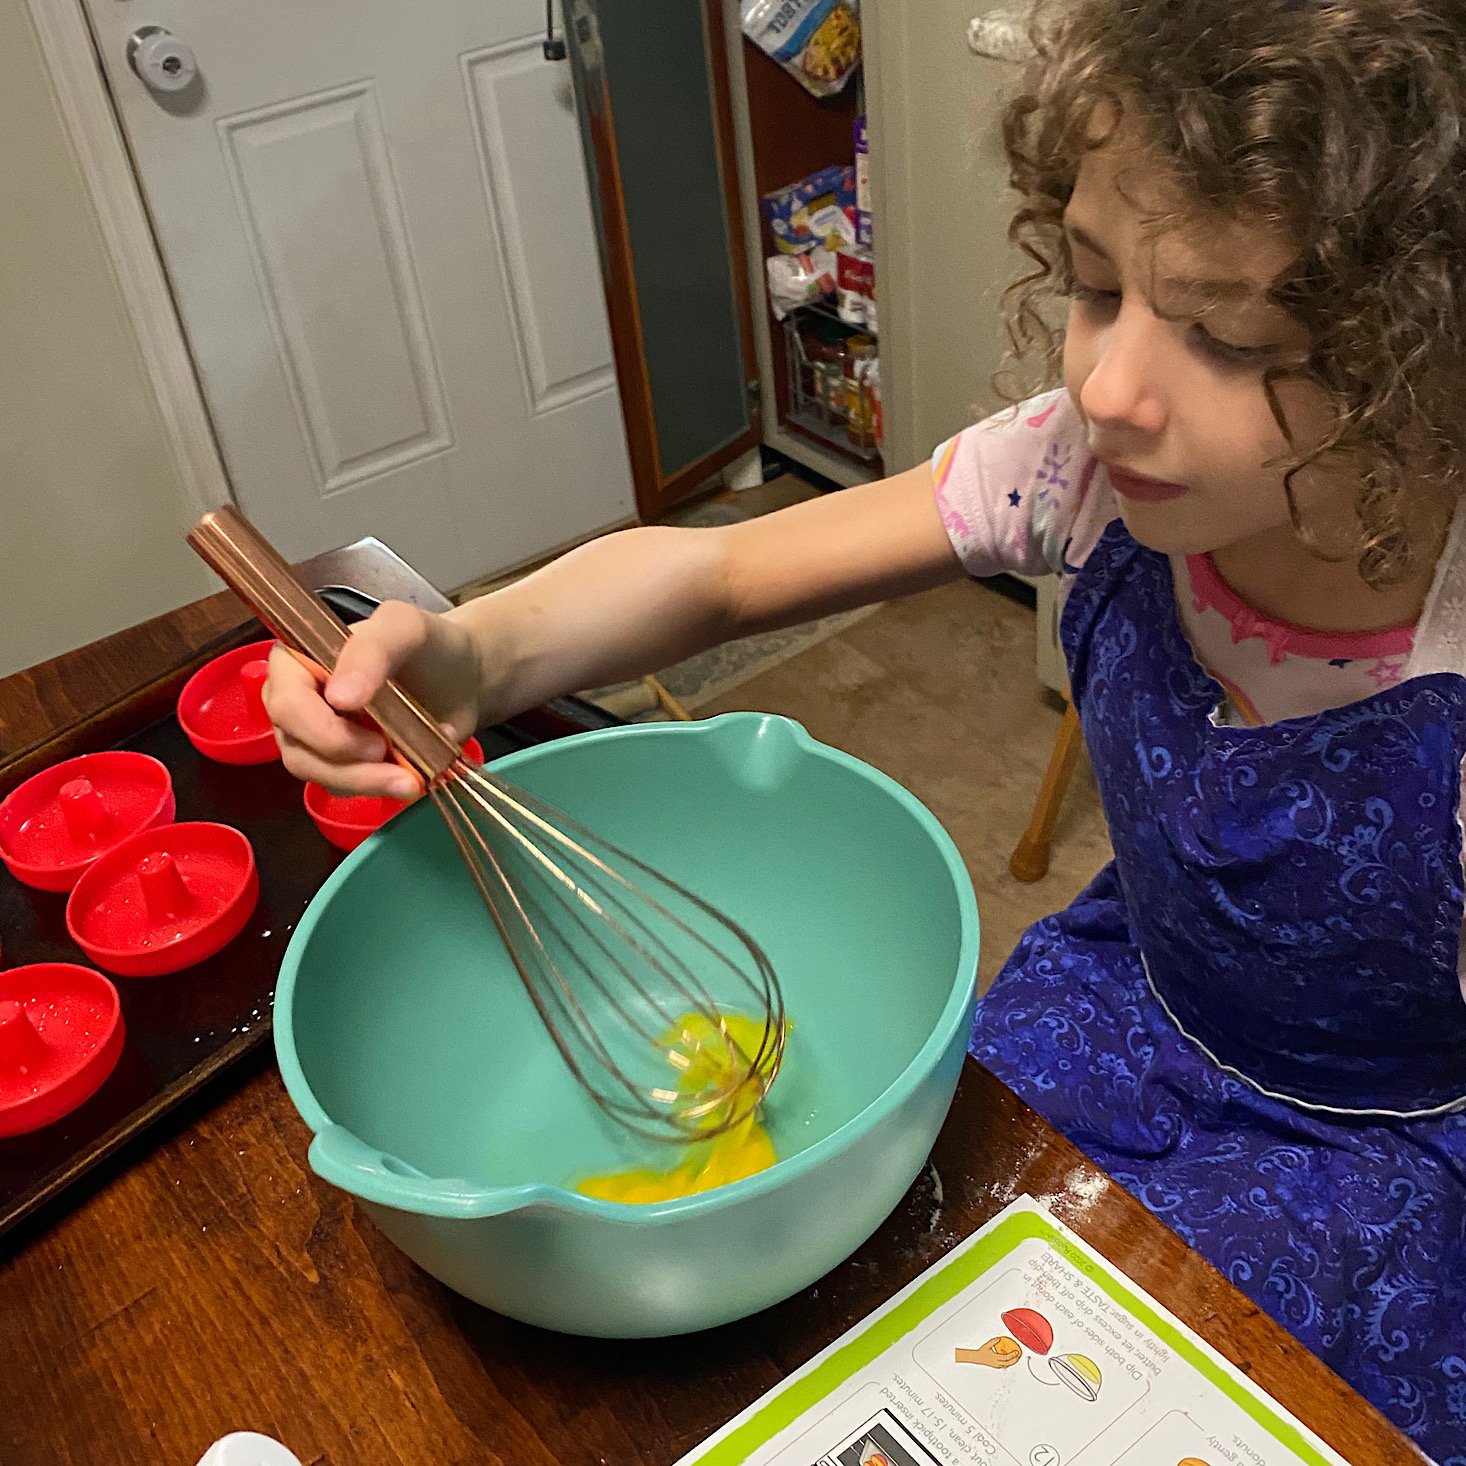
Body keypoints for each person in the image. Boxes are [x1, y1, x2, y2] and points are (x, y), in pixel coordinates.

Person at [263, 2, 1466, 1457]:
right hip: (1121, 1010)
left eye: (1220, 334)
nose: (1104, 386)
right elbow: (717, 570)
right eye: (1093, 288)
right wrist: (472, 645)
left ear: (1424, 356)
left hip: (1371, 1165)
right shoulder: (1079, 471)